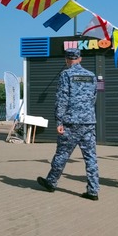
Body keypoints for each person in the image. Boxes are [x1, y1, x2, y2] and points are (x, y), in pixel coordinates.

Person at [37, 48, 100, 200]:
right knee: (91, 157)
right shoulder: (91, 75)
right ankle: (93, 191)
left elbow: (62, 99)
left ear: (66, 59)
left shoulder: (66, 74)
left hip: (71, 122)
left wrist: (59, 120)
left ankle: (51, 182)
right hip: (89, 122)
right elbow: (94, 98)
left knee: (62, 154)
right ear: (80, 59)